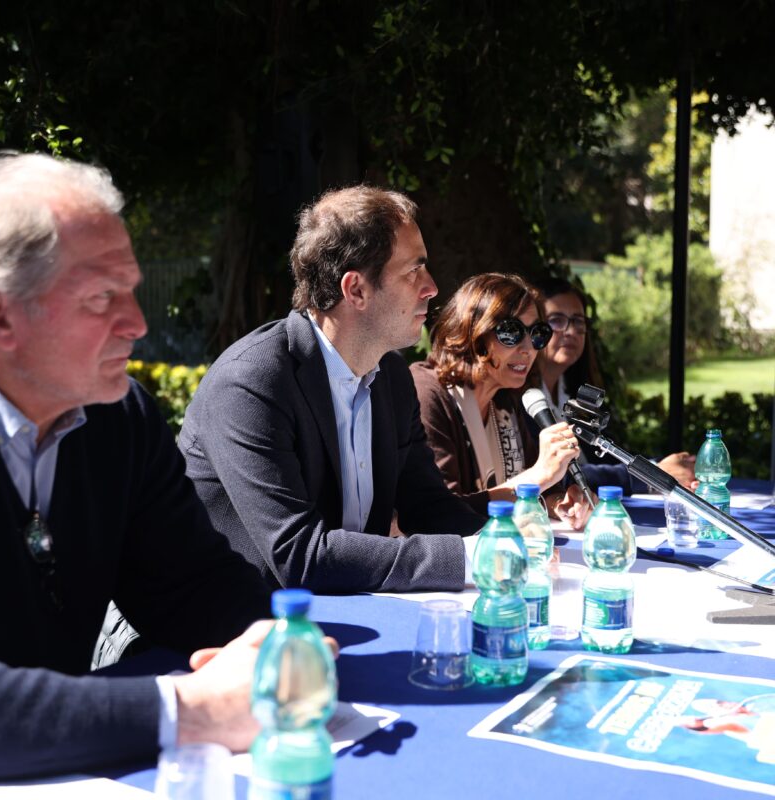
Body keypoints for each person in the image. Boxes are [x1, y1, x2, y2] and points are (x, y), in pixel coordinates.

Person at [0, 152, 278, 781]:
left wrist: (272, 643)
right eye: (100, 298)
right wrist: (185, 711)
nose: (137, 324)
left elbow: (188, 582)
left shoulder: (117, 418)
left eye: (132, 291)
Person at [179, 186, 485, 594]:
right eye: (413, 271)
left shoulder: (391, 378)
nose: (431, 287)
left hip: (334, 622)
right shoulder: (251, 383)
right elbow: (300, 556)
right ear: (355, 289)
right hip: (213, 637)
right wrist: (470, 559)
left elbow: (428, 507)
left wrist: (512, 542)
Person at [410, 272, 592, 529]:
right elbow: (439, 516)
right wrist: (538, 478)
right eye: (512, 332)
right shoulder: (428, 394)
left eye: (537, 334)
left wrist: (557, 503)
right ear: (473, 332)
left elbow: (529, 489)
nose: (528, 349)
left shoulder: (505, 396)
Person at [534, 276, 696, 492]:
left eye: (578, 321)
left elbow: (606, 458)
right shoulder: (522, 400)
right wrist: (652, 475)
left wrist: (660, 467)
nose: (570, 331)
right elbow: (559, 476)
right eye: (556, 320)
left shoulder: (574, 390)